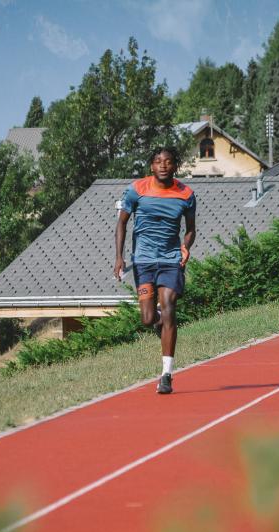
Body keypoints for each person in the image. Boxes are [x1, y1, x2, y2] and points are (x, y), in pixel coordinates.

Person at [114, 147, 196, 394]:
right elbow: (122, 222)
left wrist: (185, 245)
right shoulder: (137, 190)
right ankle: (161, 323)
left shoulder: (186, 194)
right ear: (152, 166)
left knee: (169, 307)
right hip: (143, 261)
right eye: (158, 162)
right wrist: (119, 257)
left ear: (175, 167)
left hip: (171, 260)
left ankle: (167, 375)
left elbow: (191, 228)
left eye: (168, 162)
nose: (163, 165)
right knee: (148, 318)